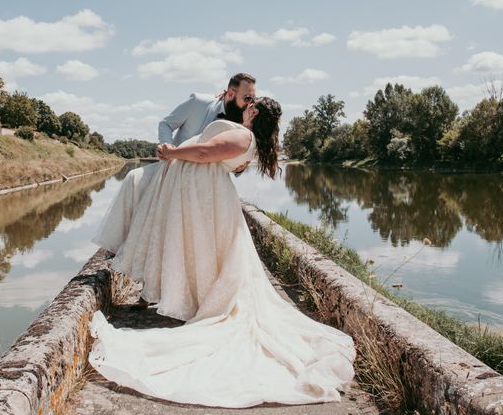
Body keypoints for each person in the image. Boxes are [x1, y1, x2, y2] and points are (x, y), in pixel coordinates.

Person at [89, 97, 356, 408]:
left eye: (251, 103)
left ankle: (198, 301)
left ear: (255, 112)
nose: (246, 104)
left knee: (205, 254)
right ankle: (192, 297)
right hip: (204, 197)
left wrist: (172, 152)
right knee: (200, 254)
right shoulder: (243, 133)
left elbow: (205, 153)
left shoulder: (243, 136)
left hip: (206, 199)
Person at [92, 73, 257, 255]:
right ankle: (117, 248)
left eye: (253, 99)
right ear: (231, 94)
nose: (250, 103)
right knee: (133, 179)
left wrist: (240, 168)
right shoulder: (198, 102)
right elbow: (166, 124)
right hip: (173, 167)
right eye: (247, 98)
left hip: (206, 184)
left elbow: (235, 162)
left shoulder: (242, 122)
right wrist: (167, 146)